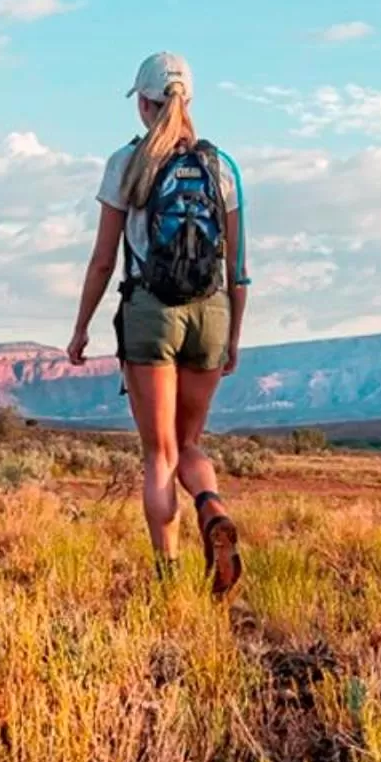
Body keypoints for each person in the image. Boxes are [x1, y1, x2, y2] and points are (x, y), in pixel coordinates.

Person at [66, 51, 248, 596]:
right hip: (211, 312)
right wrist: (233, 336)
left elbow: (103, 260)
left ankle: (168, 583)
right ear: (188, 101)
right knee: (189, 443)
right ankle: (212, 509)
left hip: (151, 311)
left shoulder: (127, 163)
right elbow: (237, 267)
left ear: (143, 104)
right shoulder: (221, 166)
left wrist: (81, 328)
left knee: (160, 455)